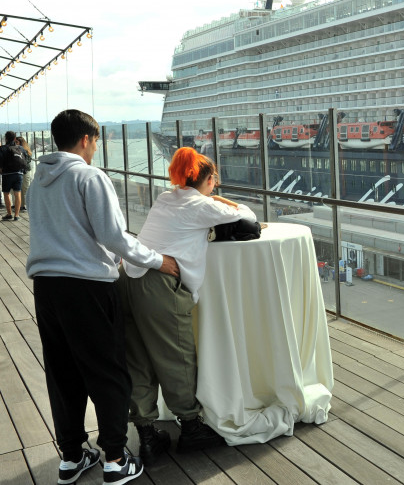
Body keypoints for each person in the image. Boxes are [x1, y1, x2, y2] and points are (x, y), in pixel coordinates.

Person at [26, 109, 180, 485]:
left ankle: (72, 456)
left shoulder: (37, 181)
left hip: (46, 286)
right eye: (96, 141)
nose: (96, 148)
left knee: (63, 374)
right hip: (88, 287)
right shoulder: (88, 175)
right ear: (85, 140)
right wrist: (159, 261)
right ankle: (114, 457)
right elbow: (114, 236)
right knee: (107, 370)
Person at [117, 147, 257, 462]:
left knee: (137, 359)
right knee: (176, 355)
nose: (216, 186)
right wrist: (220, 201)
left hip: (126, 278)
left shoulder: (167, 198)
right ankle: (191, 427)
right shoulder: (201, 205)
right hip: (157, 286)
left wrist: (211, 200)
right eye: (214, 180)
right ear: (205, 179)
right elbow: (246, 215)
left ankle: (147, 434)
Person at [1, 130, 27, 220]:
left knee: (6, 193)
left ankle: (9, 214)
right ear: (15, 138)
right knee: (17, 193)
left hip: (7, 174)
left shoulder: (3, 148)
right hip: (19, 173)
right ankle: (17, 215)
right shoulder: (21, 148)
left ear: (6, 138)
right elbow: (26, 158)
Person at [15, 136, 34, 211]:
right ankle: (22, 205)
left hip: (25, 170)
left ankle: (26, 205)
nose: (15, 143)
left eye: (16, 142)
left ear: (21, 142)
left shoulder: (25, 150)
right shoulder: (16, 150)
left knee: (25, 188)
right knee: (20, 189)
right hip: (20, 170)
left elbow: (27, 160)